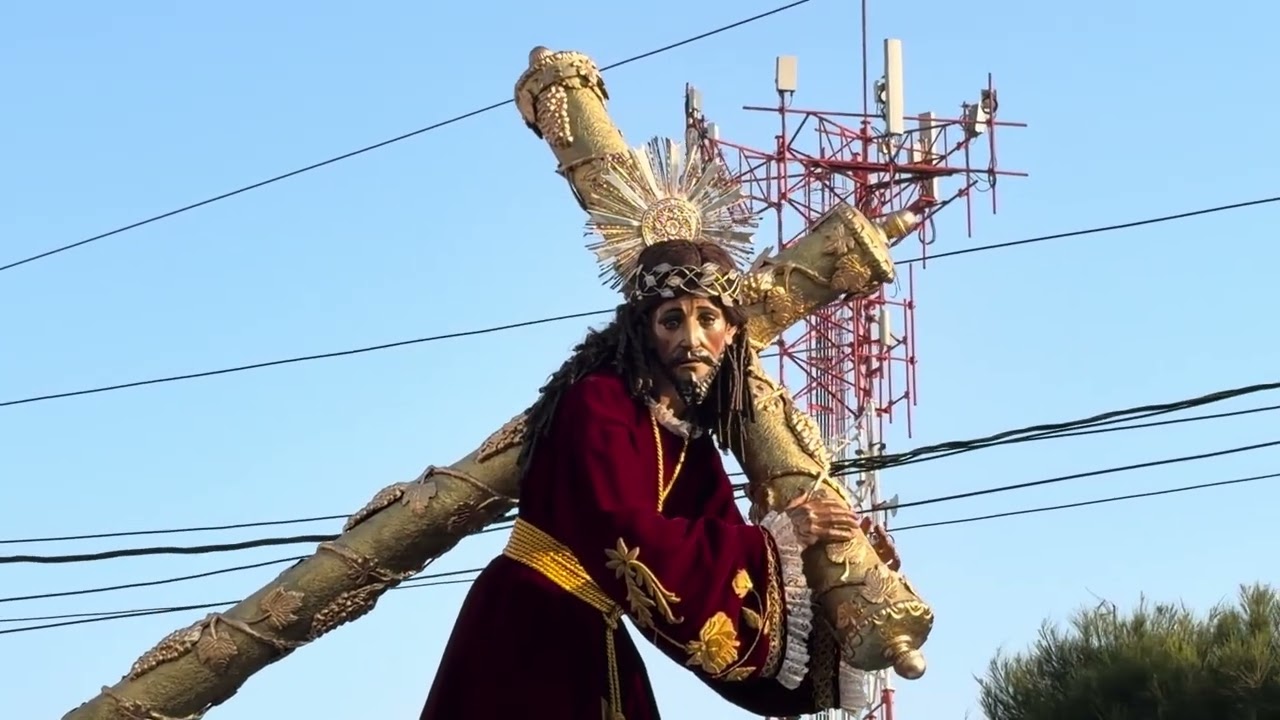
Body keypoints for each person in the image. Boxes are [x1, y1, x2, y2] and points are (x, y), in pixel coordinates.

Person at [419, 139, 872, 719]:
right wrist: (778, 535)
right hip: (528, 627)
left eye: (707, 318)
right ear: (642, 330)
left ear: (730, 334)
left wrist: (833, 577)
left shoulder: (688, 441)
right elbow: (627, 533)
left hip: (591, 631)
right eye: (671, 320)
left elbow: (721, 591)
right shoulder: (597, 404)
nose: (690, 338)